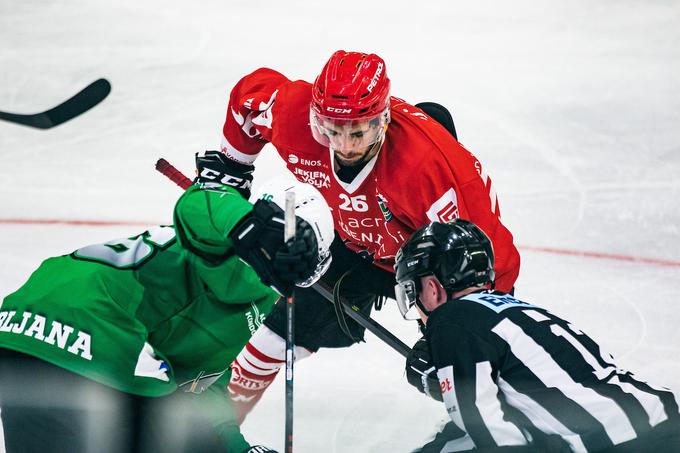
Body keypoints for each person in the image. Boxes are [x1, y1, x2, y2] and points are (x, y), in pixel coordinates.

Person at [195, 49, 521, 421]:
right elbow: (249, 98)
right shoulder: (293, 114)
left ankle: (497, 422)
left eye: (358, 132)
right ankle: (217, 426)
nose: (345, 146)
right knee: (278, 331)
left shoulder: (428, 169)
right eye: (331, 130)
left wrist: (460, 333)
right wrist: (231, 167)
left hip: (424, 261)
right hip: (347, 242)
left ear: (383, 119)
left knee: (462, 363)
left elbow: (491, 262)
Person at [0, 177, 334, 453]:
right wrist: (260, 231)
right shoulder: (226, 253)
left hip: (23, 328)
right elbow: (200, 203)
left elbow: (201, 387)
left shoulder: (243, 284)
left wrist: (238, 449)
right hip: (92, 332)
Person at [394, 219, 680, 453]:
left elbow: (495, 436)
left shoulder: (450, 319)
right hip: (664, 420)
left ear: (432, 288)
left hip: (615, 444)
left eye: (412, 290)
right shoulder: (517, 310)